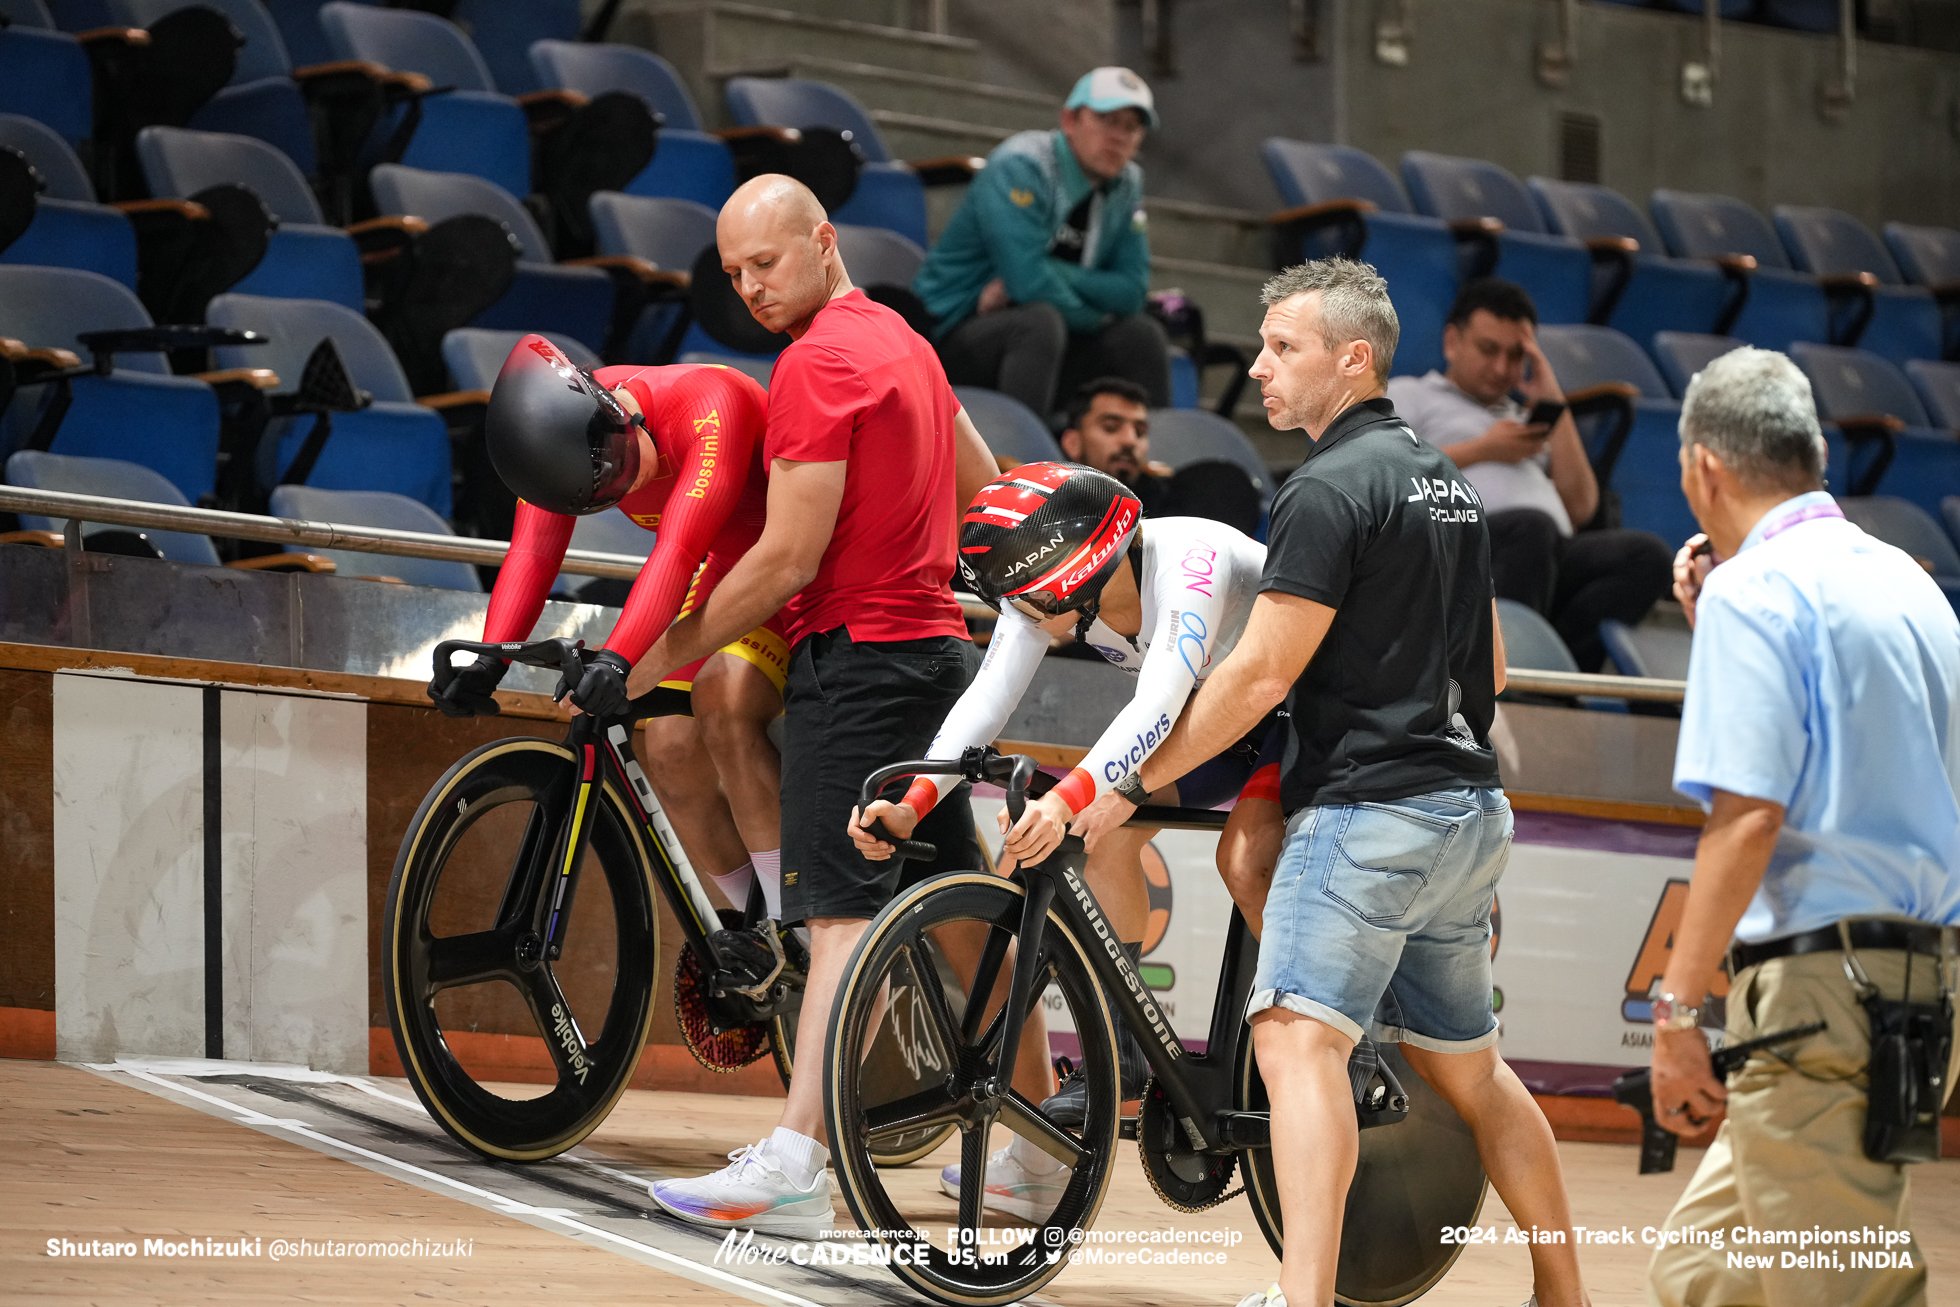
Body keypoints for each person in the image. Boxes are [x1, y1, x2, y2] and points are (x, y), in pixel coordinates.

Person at [1072, 258, 1589, 1307]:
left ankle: (1304, 1297)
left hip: (1370, 812)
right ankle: (1563, 1291)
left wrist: (1130, 780)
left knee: (1294, 1041)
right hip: (1468, 813)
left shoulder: (1320, 488)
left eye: (1281, 347)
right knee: (1474, 1071)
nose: (1258, 367)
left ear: (1352, 358)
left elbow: (1259, 671)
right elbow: (1486, 671)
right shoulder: (1449, 481)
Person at [624, 174, 998, 1237]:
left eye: (766, 263)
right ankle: (1034, 1140)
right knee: (962, 904)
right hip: (935, 656)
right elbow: (987, 480)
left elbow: (785, 555)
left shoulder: (816, 360)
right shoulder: (906, 344)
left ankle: (796, 1162)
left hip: (863, 658)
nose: (749, 287)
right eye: (734, 272)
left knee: (838, 917)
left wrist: (673, 650)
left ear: (824, 241)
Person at [848, 460, 1274, 1217]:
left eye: (1026, 601)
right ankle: (1129, 1057)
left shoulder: (1191, 563)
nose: (1017, 617)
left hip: (1289, 721)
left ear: (1073, 577)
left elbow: (1158, 702)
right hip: (1213, 722)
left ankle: (1326, 1024)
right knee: (1104, 832)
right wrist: (913, 803)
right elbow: (985, 701)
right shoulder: (1054, 585)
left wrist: (1073, 795)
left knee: (1225, 849)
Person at [1645, 347, 1960, 1307]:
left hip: (1822, 992)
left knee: (1843, 1294)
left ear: (1705, 467)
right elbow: (1860, 746)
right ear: (1814, 451)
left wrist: (1677, 1012)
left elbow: (1747, 818)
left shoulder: (1757, 590)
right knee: (1700, 1273)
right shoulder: (1912, 583)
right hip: (1921, 977)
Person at [426, 338, 789, 927]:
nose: (628, 478)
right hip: (729, 565)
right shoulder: (561, 451)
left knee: (724, 705)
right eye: (605, 493)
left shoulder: (706, 403)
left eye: (622, 459)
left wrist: (619, 660)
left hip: (791, 565)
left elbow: (677, 551)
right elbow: (533, 552)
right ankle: (758, 935)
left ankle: (793, 917)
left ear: (612, 409)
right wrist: (490, 661)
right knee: (669, 752)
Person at [1387, 278, 1670, 671]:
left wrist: (1551, 398)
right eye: (1488, 350)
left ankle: (1558, 674)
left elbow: (1581, 508)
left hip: (1541, 554)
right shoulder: (1411, 394)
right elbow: (1378, 473)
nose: (1502, 368)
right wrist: (1484, 449)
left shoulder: (1523, 419)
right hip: (1452, 550)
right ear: (1453, 341)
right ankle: (1506, 676)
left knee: (1646, 556)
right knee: (1531, 529)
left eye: (1515, 354)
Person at [913, 66, 1170, 422]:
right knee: (1038, 323)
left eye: (1131, 127)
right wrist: (1096, 314)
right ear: (1069, 120)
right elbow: (1029, 282)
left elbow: (1132, 290)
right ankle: (1023, 465)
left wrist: (1059, 273)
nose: (1119, 137)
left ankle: (1148, 468)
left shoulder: (1128, 182)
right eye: (1107, 120)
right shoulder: (1022, 165)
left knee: (1141, 335)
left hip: (1056, 332)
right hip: (955, 331)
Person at [1059, 376, 1261, 534]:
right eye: (1111, 428)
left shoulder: (1168, 501)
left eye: (1140, 432)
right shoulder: (1046, 510)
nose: (1130, 441)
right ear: (1073, 443)